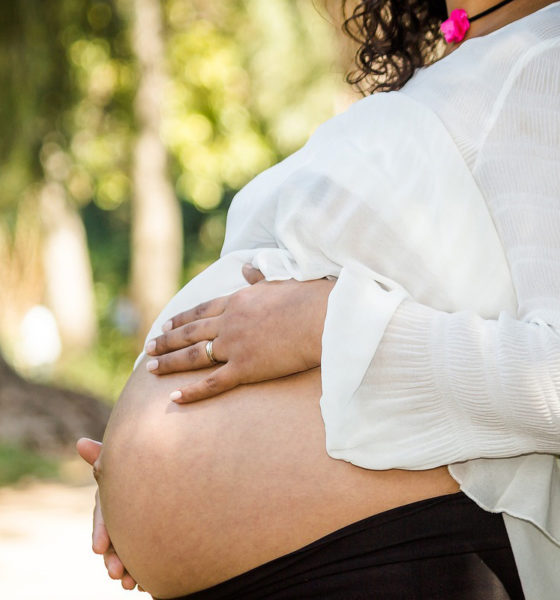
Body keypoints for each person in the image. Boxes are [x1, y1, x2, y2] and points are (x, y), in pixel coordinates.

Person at [78, 0, 560, 598]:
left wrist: (327, 327)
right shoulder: (457, 68)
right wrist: (132, 470)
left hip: (396, 556)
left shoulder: (544, 56)